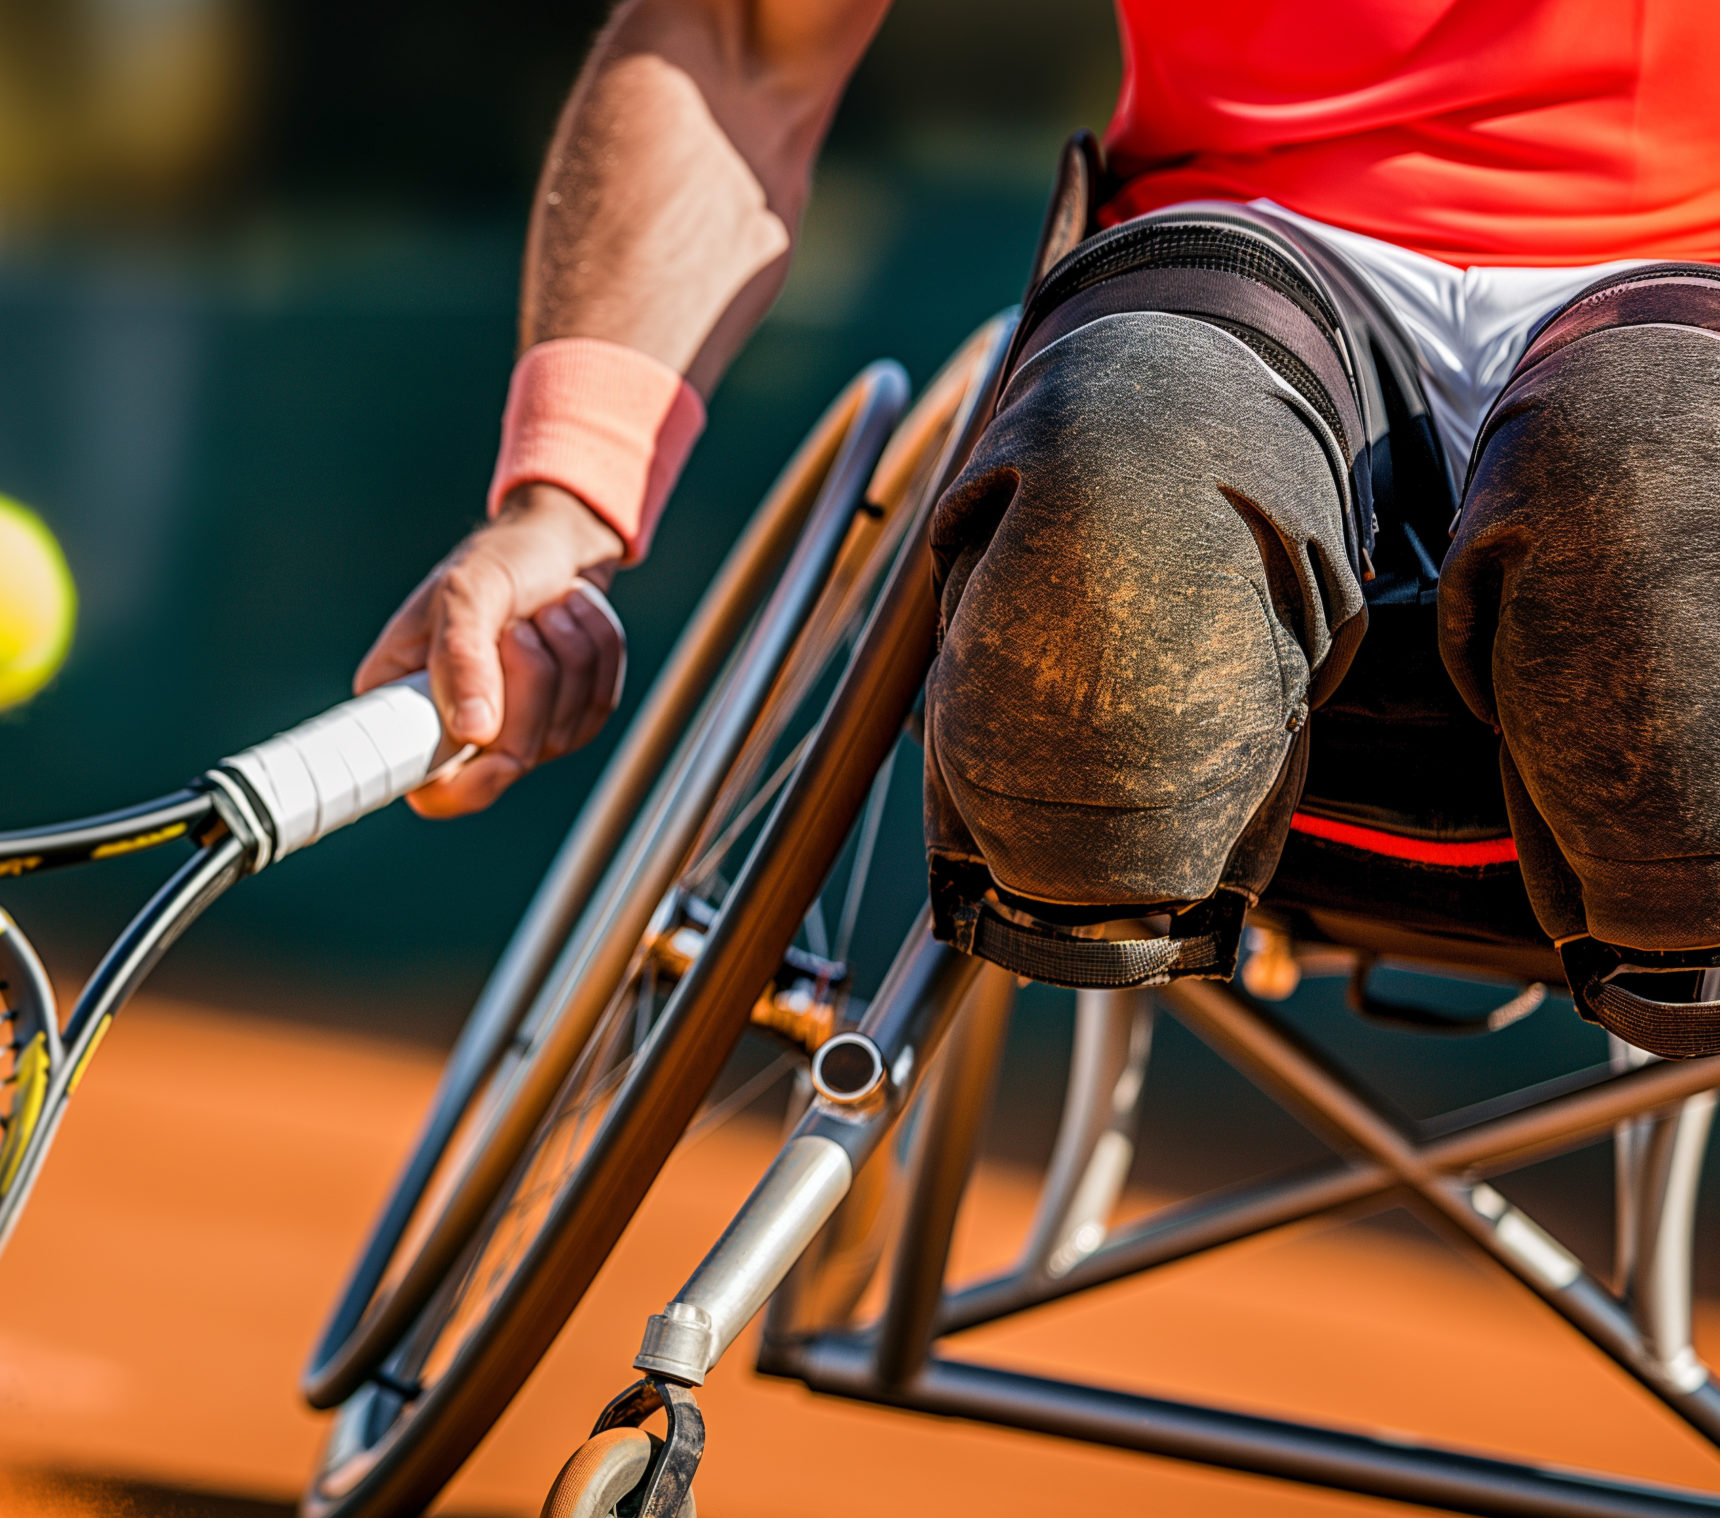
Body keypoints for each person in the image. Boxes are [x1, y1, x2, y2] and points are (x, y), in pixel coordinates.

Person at [353, 0, 1720, 1055]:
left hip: (1688, 287)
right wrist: (565, 500)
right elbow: (740, 38)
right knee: (1132, 489)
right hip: (1242, 254)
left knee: (1666, 514)